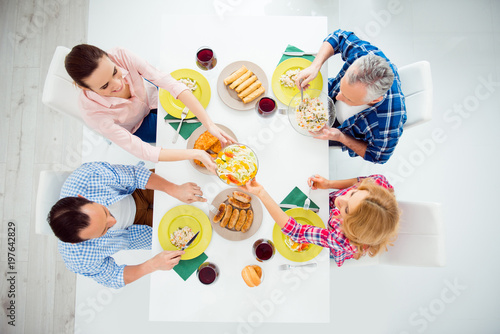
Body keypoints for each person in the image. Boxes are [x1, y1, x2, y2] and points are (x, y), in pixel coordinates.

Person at [65, 44, 235, 172]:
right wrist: (196, 154)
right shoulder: (93, 114)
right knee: (177, 139)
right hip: (138, 125)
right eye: (104, 86)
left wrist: (210, 125)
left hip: (151, 96)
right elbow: (145, 152)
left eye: (115, 72)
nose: (119, 83)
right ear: (86, 88)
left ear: (109, 58)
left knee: (199, 118)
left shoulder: (120, 55)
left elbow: (169, 83)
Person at [48, 161, 206, 288]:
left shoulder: (87, 177)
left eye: (105, 212)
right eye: (105, 229)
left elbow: (135, 175)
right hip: (142, 232)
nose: (114, 221)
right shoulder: (77, 258)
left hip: (139, 190)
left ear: (83, 197)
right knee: (198, 233)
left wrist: (174, 189)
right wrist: (152, 265)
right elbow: (112, 277)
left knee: (200, 188)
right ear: (79, 242)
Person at [295, 29, 407, 164]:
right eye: (342, 87)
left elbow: (379, 156)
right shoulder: (366, 55)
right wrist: (315, 66)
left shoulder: (388, 122)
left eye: (349, 99)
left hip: (339, 129)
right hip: (319, 103)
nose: (337, 97)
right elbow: (339, 37)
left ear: (375, 100)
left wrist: (341, 138)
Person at [242, 174, 400, 266]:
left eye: (346, 210)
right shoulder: (378, 183)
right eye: (352, 194)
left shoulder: (343, 239)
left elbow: (296, 231)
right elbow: (358, 182)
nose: (340, 199)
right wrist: (329, 184)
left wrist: (261, 193)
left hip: (343, 240)